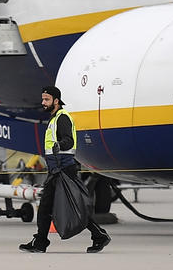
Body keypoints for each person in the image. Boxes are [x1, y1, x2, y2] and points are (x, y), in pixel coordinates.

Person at [20, 86, 112, 253]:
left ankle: (99, 235)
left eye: (46, 99)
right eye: (43, 99)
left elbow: (68, 140)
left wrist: (59, 145)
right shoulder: (54, 119)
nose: (43, 102)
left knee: (71, 206)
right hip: (56, 169)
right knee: (49, 207)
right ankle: (41, 241)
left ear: (56, 101)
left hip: (64, 169)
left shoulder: (62, 118)